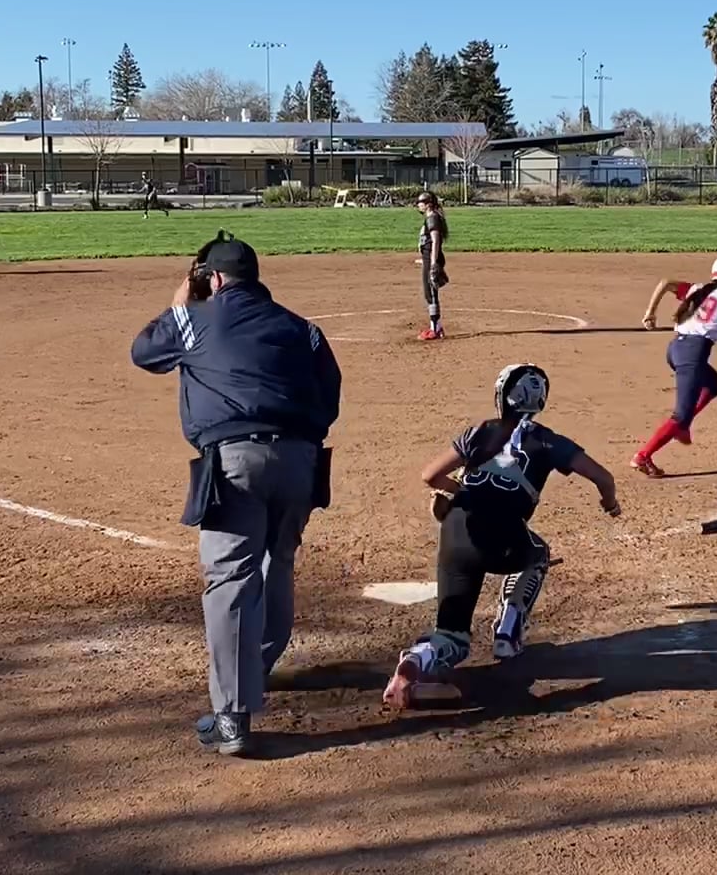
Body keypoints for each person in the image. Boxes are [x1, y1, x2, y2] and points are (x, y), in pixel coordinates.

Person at [130, 231, 342, 757]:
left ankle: (232, 716)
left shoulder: (194, 319)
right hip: (302, 463)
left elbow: (144, 352)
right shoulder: (303, 328)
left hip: (235, 462)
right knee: (278, 562)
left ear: (215, 278)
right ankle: (258, 665)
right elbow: (330, 398)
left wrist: (181, 301)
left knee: (230, 578)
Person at [382, 364, 621, 710]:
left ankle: (412, 665)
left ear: (501, 396)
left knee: (452, 636)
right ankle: (508, 633)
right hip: (504, 536)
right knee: (538, 553)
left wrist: (460, 489)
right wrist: (610, 504)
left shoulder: (480, 431)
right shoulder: (547, 440)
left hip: (456, 530)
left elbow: (430, 475)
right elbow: (603, 478)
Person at [630, 255, 717, 477]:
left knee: (714, 383)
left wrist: (650, 313)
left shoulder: (698, 289)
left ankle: (683, 426)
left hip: (675, 349)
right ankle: (644, 456)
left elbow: (665, 282)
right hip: (692, 356)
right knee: (680, 415)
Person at [415, 191, 450, 341]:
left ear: (428, 204)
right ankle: (437, 327)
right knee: (429, 292)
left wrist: (434, 262)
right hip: (428, 259)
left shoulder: (433, 218)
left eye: (421, 202)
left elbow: (436, 241)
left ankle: (435, 329)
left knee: (431, 293)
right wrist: (425, 259)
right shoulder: (430, 218)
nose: (418, 205)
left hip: (432, 260)